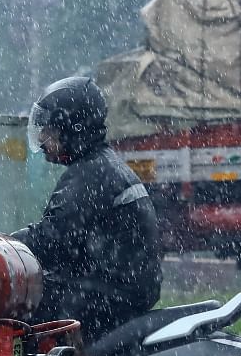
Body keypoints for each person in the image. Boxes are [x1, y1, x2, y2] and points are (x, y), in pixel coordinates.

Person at [13, 76, 162, 342]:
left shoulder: (90, 175)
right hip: (119, 291)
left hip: (105, 296)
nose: (44, 137)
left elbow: (52, 242)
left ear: (72, 128)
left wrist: (5, 247)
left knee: (17, 307)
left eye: (49, 129)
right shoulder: (103, 165)